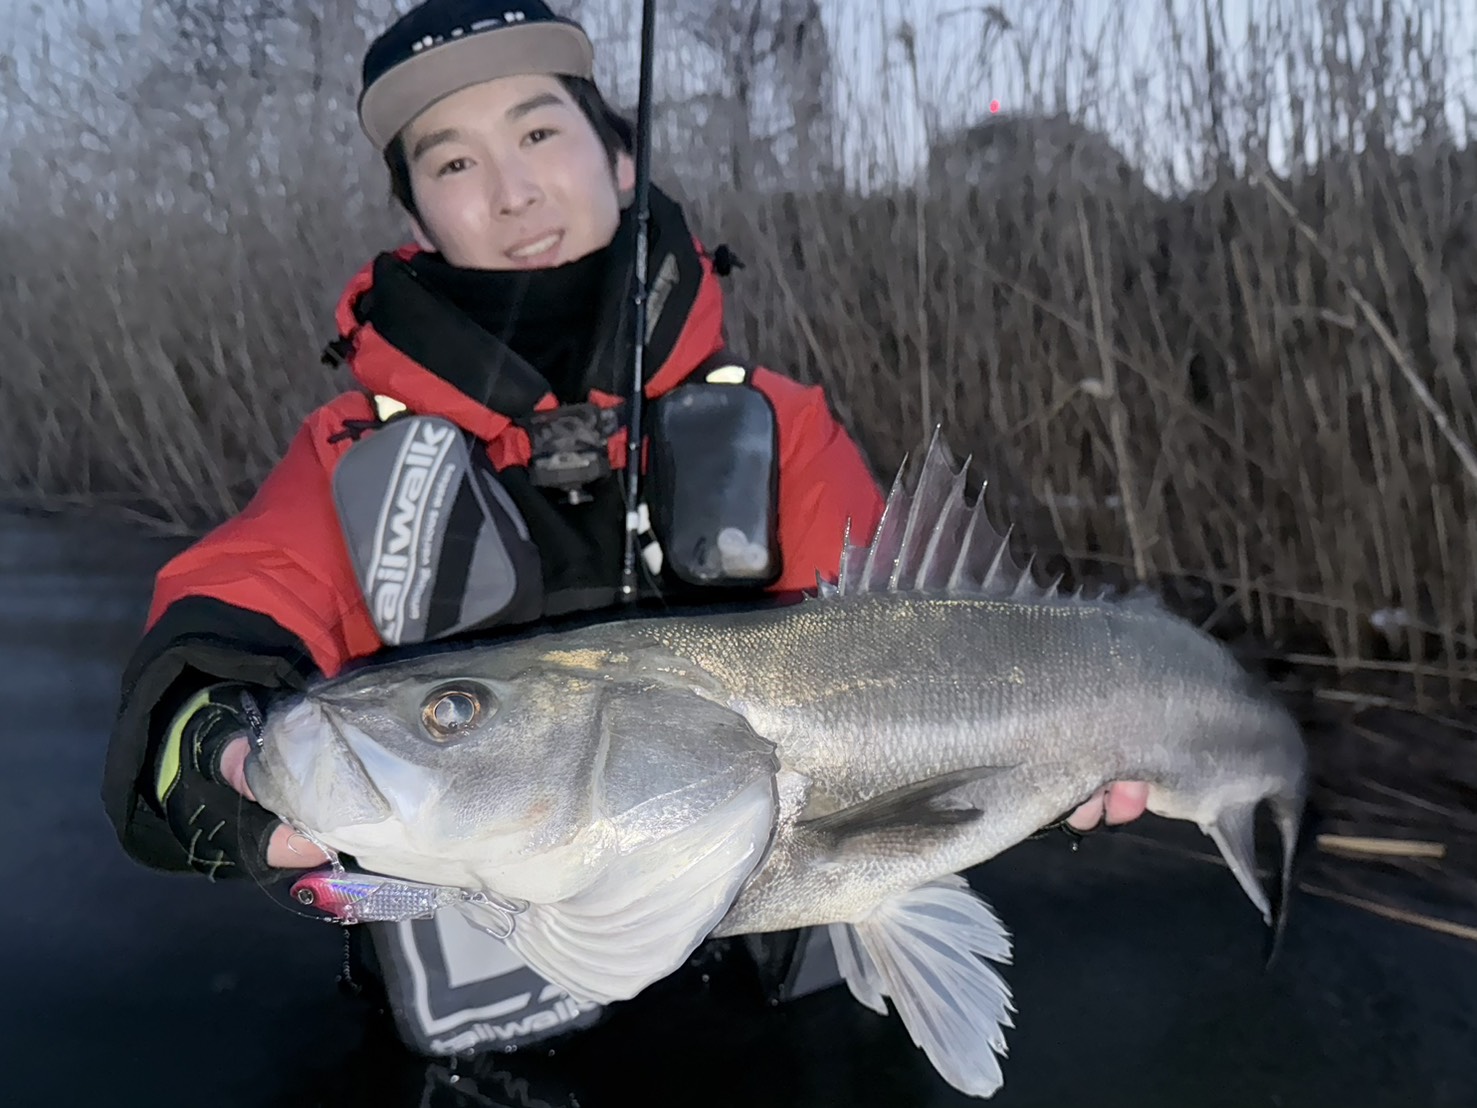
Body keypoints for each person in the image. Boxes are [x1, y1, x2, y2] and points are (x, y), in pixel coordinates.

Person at [101, 0, 1144, 1060]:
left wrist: (1054, 743)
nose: (511, 190)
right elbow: (215, 636)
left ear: (620, 154)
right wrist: (220, 756)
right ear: (414, 211)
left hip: (783, 1017)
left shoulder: (781, 422)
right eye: (452, 161)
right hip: (493, 1051)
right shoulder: (343, 454)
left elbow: (927, 666)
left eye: (539, 131)